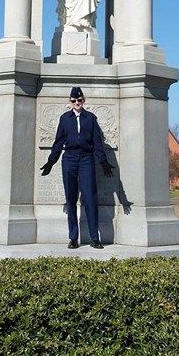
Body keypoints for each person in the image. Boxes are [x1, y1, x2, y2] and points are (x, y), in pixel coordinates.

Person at [40, 86, 113, 249]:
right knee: (71, 198)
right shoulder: (65, 119)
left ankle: (95, 238)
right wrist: (51, 161)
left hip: (86, 159)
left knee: (90, 198)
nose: (77, 103)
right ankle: (73, 237)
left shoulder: (91, 119)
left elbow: (98, 143)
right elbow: (58, 142)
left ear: (83, 100)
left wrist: (104, 163)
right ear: (70, 102)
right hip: (69, 159)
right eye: (74, 100)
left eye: (79, 100)